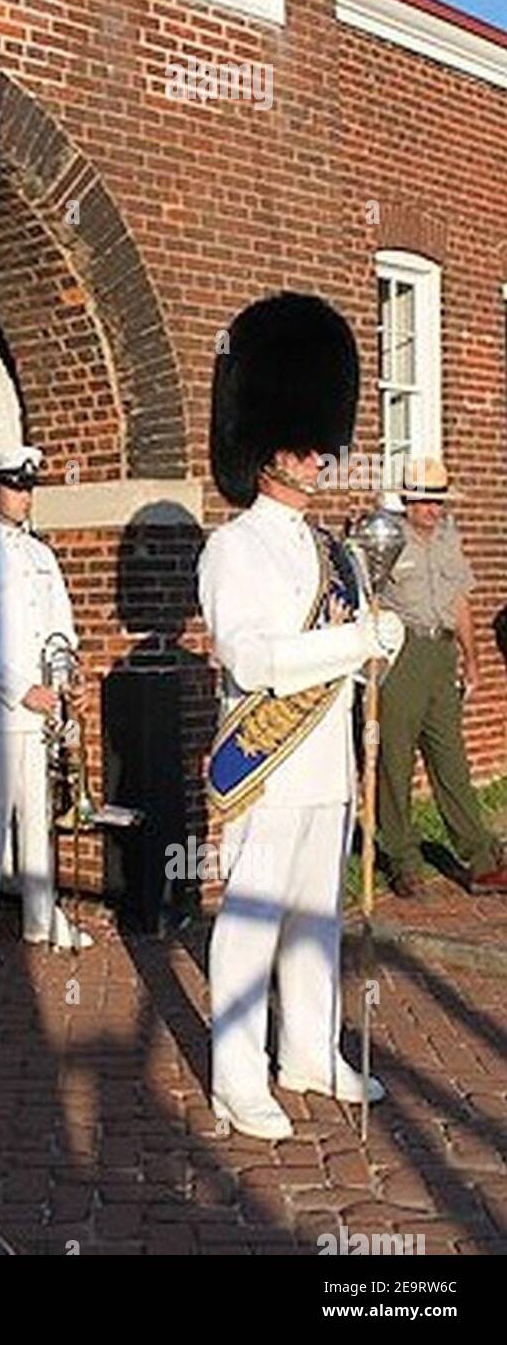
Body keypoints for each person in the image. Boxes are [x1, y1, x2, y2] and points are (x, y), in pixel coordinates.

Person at [199, 292, 405, 1140]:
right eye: (303, 443)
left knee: (315, 919)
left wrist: (379, 642)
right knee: (250, 924)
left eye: (320, 442)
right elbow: (253, 661)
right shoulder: (230, 548)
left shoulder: (336, 553)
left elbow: (361, 658)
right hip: (267, 765)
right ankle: (237, 1077)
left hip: (327, 764)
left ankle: (311, 1053)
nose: (320, 457)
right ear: (263, 449)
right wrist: (355, 643)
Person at [0, 446, 91, 971]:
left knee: (38, 821)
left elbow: (61, 623)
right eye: (13, 486)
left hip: (41, 712)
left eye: (28, 487)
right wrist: (21, 687)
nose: (23, 496)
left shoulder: (41, 554)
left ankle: (40, 914)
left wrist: (64, 671)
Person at [377, 460, 507, 896]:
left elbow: (460, 604)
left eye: (438, 501)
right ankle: (402, 858)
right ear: (407, 500)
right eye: (424, 501)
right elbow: (366, 599)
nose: (432, 509)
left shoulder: (450, 540)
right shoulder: (385, 539)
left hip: (440, 654)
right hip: (401, 655)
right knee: (394, 760)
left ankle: (481, 860)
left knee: (451, 758)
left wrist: (471, 659)